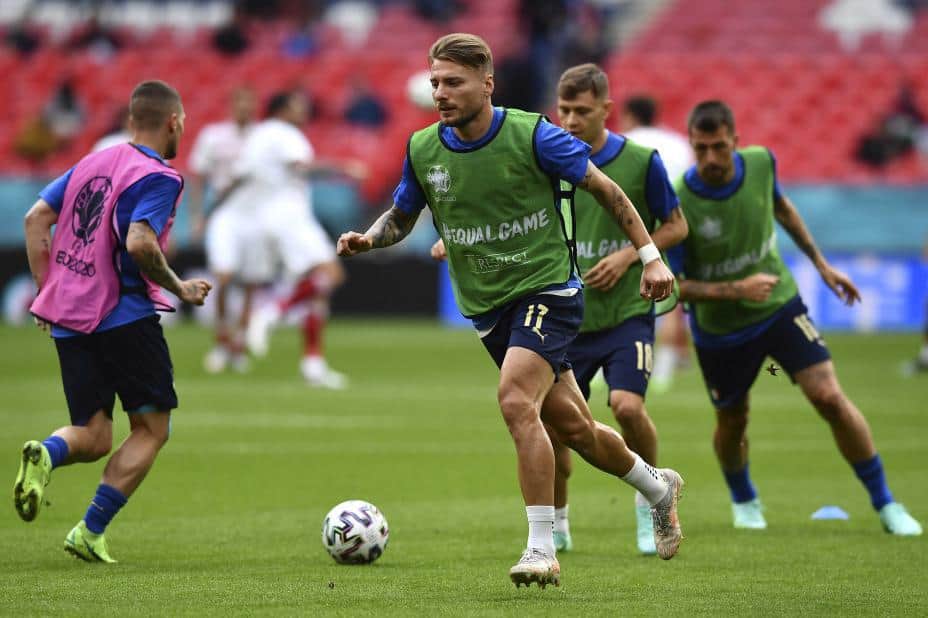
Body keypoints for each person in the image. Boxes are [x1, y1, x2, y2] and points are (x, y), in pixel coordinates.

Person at [338, 33, 685, 588]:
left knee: (515, 401)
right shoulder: (423, 148)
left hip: (549, 290)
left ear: (487, 84)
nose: (441, 93)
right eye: (435, 83)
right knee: (575, 428)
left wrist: (649, 258)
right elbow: (402, 216)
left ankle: (541, 548)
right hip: (488, 308)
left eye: (454, 82)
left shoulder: (534, 134)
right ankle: (657, 487)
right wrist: (369, 239)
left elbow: (608, 191)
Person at [430, 63, 688, 556]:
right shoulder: (544, 152)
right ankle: (633, 497)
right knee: (569, 428)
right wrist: (459, 240)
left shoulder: (639, 160)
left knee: (621, 405)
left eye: (581, 111)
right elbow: (504, 211)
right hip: (568, 318)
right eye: (564, 110)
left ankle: (572, 536)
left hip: (614, 309)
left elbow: (673, 222)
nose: (570, 120)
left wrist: (635, 257)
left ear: (606, 110)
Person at [672, 100, 922, 536]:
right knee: (733, 419)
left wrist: (822, 266)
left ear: (735, 140)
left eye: (718, 147)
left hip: (779, 306)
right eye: (701, 149)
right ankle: (744, 499)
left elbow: (783, 209)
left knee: (828, 396)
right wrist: (737, 289)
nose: (710, 158)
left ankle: (886, 503)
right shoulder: (678, 199)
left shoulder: (761, 164)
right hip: (720, 329)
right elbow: (675, 285)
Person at [14, 80, 211, 562]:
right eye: (183, 121)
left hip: (70, 318)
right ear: (173, 122)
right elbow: (140, 242)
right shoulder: (160, 177)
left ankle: (46, 452)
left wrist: (47, 291)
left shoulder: (92, 162)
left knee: (93, 433)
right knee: (151, 429)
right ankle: (89, 531)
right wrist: (179, 287)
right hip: (122, 314)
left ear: (131, 120)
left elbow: (36, 219)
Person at [230, 90, 352, 388]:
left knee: (316, 292)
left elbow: (241, 175)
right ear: (282, 109)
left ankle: (313, 364)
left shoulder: (256, 137)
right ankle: (271, 312)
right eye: (298, 105)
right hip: (289, 217)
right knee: (331, 274)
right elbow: (301, 166)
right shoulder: (285, 134)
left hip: (264, 217)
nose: (304, 110)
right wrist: (343, 168)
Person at [620, 95, 695, 394]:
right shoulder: (678, 143)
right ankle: (666, 363)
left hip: (636, 226)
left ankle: (610, 364)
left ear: (629, 115)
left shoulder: (625, 142)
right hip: (674, 223)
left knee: (625, 293)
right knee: (671, 291)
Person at [187, 87, 259, 374]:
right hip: (224, 214)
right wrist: (197, 215)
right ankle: (221, 341)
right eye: (240, 102)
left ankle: (238, 344)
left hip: (255, 214)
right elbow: (198, 176)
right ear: (232, 105)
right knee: (223, 277)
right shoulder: (213, 136)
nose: (245, 108)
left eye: (249, 102)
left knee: (251, 282)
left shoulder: (262, 137)